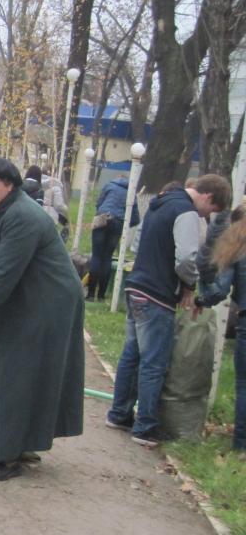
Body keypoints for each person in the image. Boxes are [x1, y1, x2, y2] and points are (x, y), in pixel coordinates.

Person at [0, 157, 86, 481]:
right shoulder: (3, 211)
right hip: (27, 297)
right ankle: (11, 445)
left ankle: (4, 456)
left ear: (9, 183)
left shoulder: (22, 216)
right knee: (12, 370)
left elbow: (5, 275)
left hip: (47, 303)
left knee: (16, 373)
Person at [106, 174, 232, 447]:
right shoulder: (185, 211)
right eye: (212, 210)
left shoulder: (161, 202)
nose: (208, 215)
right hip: (157, 294)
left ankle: (119, 413)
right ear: (208, 197)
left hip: (136, 286)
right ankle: (146, 426)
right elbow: (186, 258)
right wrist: (190, 284)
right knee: (154, 362)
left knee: (133, 355)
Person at [198, 201, 246, 452]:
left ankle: (241, 447)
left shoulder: (237, 246)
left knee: (244, 386)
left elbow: (219, 291)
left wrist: (201, 295)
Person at [86, 175, 140, 301]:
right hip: (118, 223)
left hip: (102, 218)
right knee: (107, 258)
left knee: (96, 256)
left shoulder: (109, 185)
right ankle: (101, 296)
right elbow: (136, 218)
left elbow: (99, 203)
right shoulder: (131, 193)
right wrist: (124, 224)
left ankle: (90, 294)